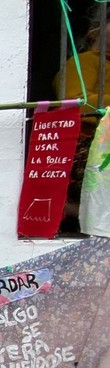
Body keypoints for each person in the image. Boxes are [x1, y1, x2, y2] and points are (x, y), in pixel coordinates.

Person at [54, 14, 110, 232]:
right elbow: (76, 102)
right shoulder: (86, 61)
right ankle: (71, 209)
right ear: (95, 32)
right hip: (87, 140)